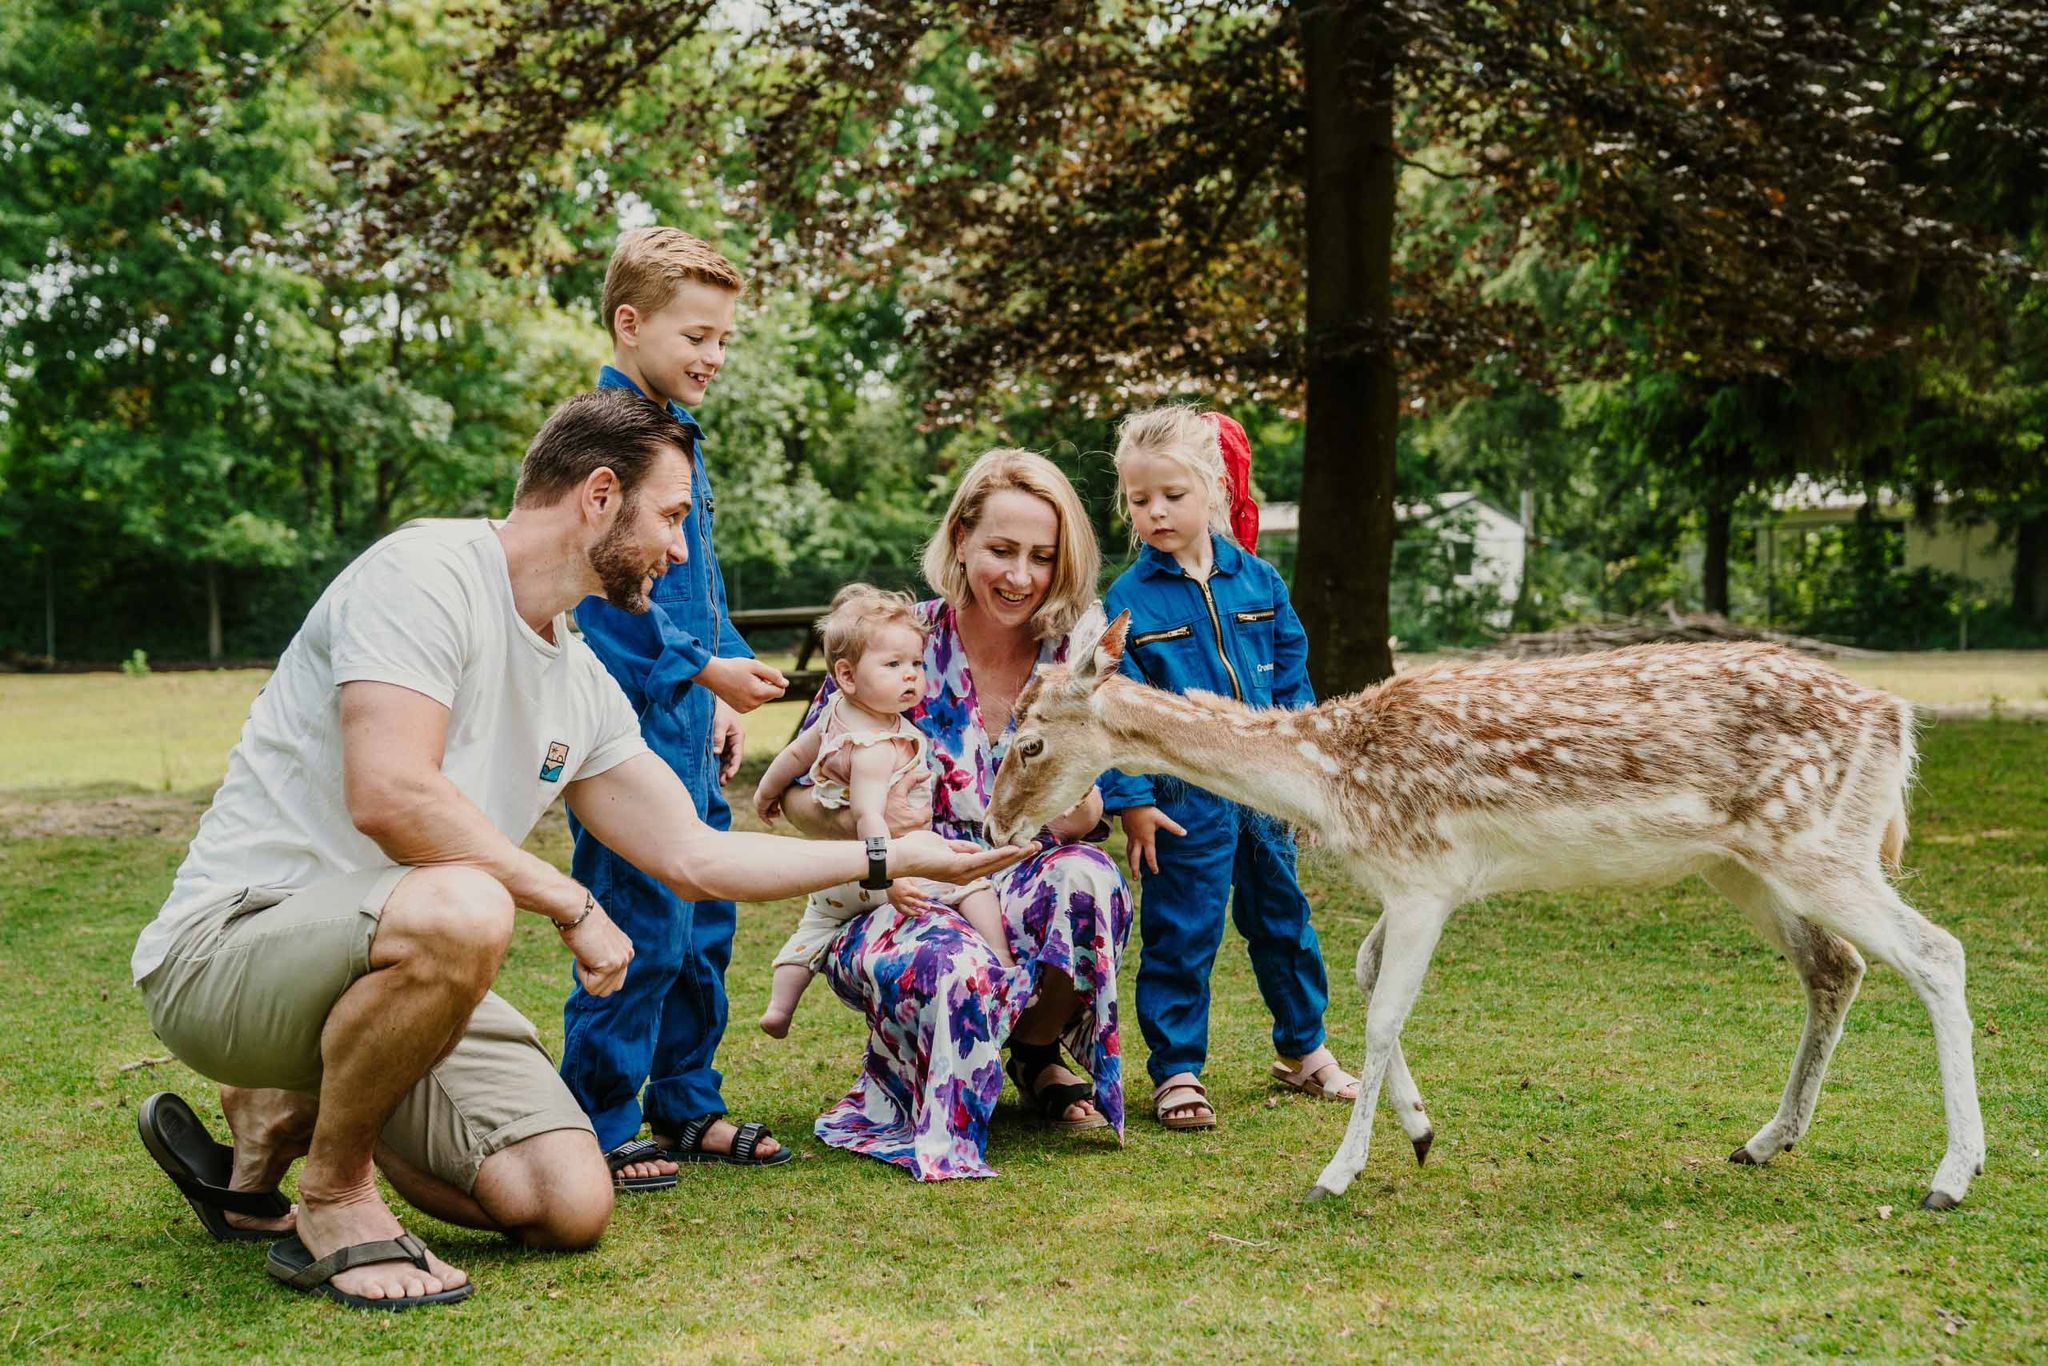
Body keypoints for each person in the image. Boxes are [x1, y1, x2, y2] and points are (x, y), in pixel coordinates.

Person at [130, 390, 1026, 1309]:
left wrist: (891, 862)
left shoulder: (579, 675)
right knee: (466, 903)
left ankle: (292, 1107)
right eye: (672, 517)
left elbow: (694, 854)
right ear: (600, 495)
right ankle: (333, 1194)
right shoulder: (425, 572)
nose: (681, 550)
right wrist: (571, 901)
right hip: (229, 952)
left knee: (567, 1203)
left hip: (396, 959)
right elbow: (392, 794)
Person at [774, 449, 1133, 1180]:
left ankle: (1034, 1053)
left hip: (1017, 873)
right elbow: (796, 801)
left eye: (1042, 556)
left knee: (1089, 881)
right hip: (904, 888)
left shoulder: (1073, 660)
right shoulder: (899, 643)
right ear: (961, 538)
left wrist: (1076, 802)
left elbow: (1094, 811)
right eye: (1001, 550)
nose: (1020, 576)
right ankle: (922, 1095)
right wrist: (882, 833)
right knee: (958, 959)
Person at [559, 228, 795, 1184]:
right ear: (630, 322)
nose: (714, 355)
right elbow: (605, 600)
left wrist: (725, 679)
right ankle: (599, 1121)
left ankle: (688, 1102)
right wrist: (706, 674)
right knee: (637, 928)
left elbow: (703, 581)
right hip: (626, 735)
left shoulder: (676, 435)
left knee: (705, 925)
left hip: (693, 728)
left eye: (726, 339)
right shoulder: (599, 439)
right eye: (697, 333)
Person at [1100, 405, 1358, 1131]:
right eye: (1139, 499)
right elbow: (1114, 709)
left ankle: (1303, 1050)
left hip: (1268, 791)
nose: (1155, 512)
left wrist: (1306, 778)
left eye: (1171, 496)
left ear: (1213, 487)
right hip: (1185, 801)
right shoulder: (1128, 602)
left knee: (1284, 920)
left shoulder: (1262, 583)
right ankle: (1178, 1069)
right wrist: (1133, 801)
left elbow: (1293, 685)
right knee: (1183, 931)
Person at [754, 586, 1013, 1038]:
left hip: (836, 873)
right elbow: (869, 817)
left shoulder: (834, 713)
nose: (911, 676)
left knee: (814, 927)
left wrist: (766, 793)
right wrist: (888, 877)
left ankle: (780, 1006)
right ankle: (1004, 962)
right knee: (970, 877)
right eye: (894, 666)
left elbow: (794, 757)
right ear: (847, 675)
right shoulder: (878, 746)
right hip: (883, 866)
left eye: (916, 663)